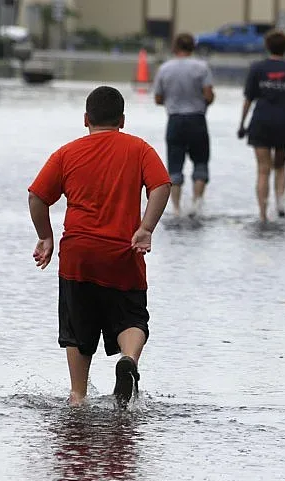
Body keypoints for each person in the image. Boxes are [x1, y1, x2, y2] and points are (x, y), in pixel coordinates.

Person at [28, 86, 172, 407]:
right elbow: (162, 185)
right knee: (132, 318)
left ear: (85, 119)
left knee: (79, 332)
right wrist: (146, 228)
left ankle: (78, 396)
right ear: (122, 119)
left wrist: (46, 236)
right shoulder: (138, 149)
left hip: (77, 256)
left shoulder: (66, 153)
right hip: (121, 253)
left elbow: (37, 197)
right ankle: (129, 361)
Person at [237, 29, 285, 222]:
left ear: (267, 46)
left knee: (263, 169)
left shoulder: (257, 69)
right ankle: (280, 203)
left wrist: (242, 124)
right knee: (280, 166)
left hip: (261, 121)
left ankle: (263, 214)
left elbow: (248, 99)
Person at [153, 33, 215, 218]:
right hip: (197, 119)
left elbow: (157, 98)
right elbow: (209, 96)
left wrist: (172, 100)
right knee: (201, 163)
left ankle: (177, 209)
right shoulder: (202, 67)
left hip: (175, 120)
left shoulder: (165, 68)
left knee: (174, 166)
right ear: (192, 47)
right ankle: (196, 205)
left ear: (175, 47)